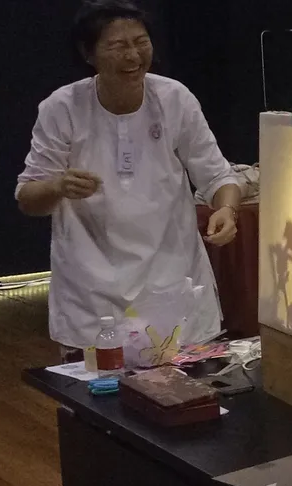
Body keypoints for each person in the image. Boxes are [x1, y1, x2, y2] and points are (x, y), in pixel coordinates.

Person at [16, 0, 245, 362]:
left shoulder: (174, 99)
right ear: (88, 53)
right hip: (93, 296)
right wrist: (58, 186)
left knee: (187, 401)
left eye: (141, 42)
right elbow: (28, 197)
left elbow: (217, 175)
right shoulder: (61, 108)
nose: (134, 55)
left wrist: (228, 209)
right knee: (99, 406)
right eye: (118, 45)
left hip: (174, 282)